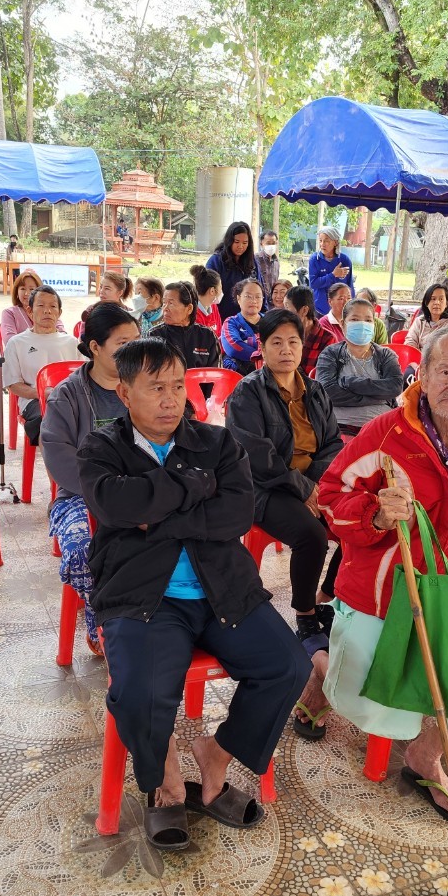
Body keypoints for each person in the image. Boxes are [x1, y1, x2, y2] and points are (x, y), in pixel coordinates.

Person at [79, 338, 310, 848]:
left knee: (287, 666)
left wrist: (155, 517)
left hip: (222, 588)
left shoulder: (217, 443)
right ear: (124, 393)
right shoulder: (102, 447)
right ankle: (165, 780)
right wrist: (194, 487)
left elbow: (236, 514)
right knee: (139, 691)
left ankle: (216, 755)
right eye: (155, 388)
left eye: (177, 387)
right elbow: (118, 506)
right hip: (144, 596)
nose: (171, 400)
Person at [314, 329, 448, 816]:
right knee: (365, 689)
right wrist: (374, 514)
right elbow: (329, 497)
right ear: (423, 375)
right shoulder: (387, 431)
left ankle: (425, 755)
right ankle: (320, 672)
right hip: (384, 592)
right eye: (446, 372)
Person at [227, 310, 344, 679]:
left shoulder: (315, 391)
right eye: (276, 342)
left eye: (293, 341)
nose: (286, 349)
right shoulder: (247, 393)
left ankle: (328, 597)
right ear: (262, 348)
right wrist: (303, 489)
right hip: (264, 488)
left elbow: (332, 444)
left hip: (312, 482)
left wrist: (316, 486)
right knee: (311, 536)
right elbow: (256, 457)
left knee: (360, 521)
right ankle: (305, 614)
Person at [42, 303, 140, 653]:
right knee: (86, 549)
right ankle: (104, 621)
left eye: (137, 340)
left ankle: (150, 619)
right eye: (123, 343)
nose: (134, 350)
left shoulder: (144, 386)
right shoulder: (68, 395)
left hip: (141, 492)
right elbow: (58, 457)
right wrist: (109, 493)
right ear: (95, 347)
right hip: (81, 496)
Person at [3, 286, 81, 445]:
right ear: (30, 311)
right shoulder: (17, 343)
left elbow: (83, 378)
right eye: (41, 305)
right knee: (50, 421)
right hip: (34, 401)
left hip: (68, 399)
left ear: (59, 313)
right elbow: (14, 385)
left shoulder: (72, 343)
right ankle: (55, 457)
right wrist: (40, 394)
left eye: (53, 306)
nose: (47, 311)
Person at [316, 297, 404, 437]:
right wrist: (379, 397)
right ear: (343, 324)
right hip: (340, 429)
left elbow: (395, 387)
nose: (362, 325)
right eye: (355, 319)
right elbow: (327, 392)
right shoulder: (331, 353)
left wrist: (350, 383)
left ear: (374, 324)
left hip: (383, 428)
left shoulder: (385, 355)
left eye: (368, 320)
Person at [151, 281, 222, 369]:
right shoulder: (154, 335)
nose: (165, 308)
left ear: (189, 309)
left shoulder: (207, 336)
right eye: (164, 303)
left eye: (171, 303)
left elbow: (216, 373)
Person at [206, 221, 257, 320]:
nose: (240, 246)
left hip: (247, 318)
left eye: (245, 243)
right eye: (236, 242)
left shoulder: (252, 261)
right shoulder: (216, 261)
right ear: (229, 241)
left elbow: (259, 288)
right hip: (221, 317)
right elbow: (206, 291)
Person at [283, 284, 336, 377]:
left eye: (287, 307)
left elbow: (326, 377)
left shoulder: (328, 339)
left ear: (304, 310)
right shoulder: (284, 333)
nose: (284, 313)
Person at [0, 270, 65, 346]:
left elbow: (63, 337)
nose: (27, 293)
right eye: (22, 289)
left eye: (31, 289)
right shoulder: (9, 313)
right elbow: (10, 342)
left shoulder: (49, 311)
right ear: (16, 291)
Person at [220, 279, 265, 374]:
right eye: (248, 296)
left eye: (258, 297)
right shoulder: (231, 322)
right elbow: (234, 348)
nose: (254, 301)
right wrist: (263, 355)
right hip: (240, 375)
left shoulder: (271, 320)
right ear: (238, 298)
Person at [308, 225, 354, 317]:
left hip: (341, 309)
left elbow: (350, 286)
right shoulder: (314, 259)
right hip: (320, 309)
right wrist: (333, 275)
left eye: (326, 241)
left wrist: (352, 306)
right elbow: (313, 284)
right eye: (320, 240)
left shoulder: (344, 260)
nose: (322, 244)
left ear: (335, 242)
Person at [405, 283, 448, 350]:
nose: (437, 302)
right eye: (433, 299)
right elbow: (410, 341)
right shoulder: (419, 321)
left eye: (441, 299)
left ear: (446, 303)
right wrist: (415, 353)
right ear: (426, 303)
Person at [191, 264, 224, 333]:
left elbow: (220, 333)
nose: (221, 291)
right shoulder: (193, 315)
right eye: (220, 287)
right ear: (212, 291)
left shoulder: (213, 306)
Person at [256, 229, 281, 297]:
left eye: (273, 243)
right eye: (268, 243)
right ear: (261, 244)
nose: (271, 246)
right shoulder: (255, 259)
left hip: (272, 299)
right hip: (259, 299)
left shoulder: (276, 262)